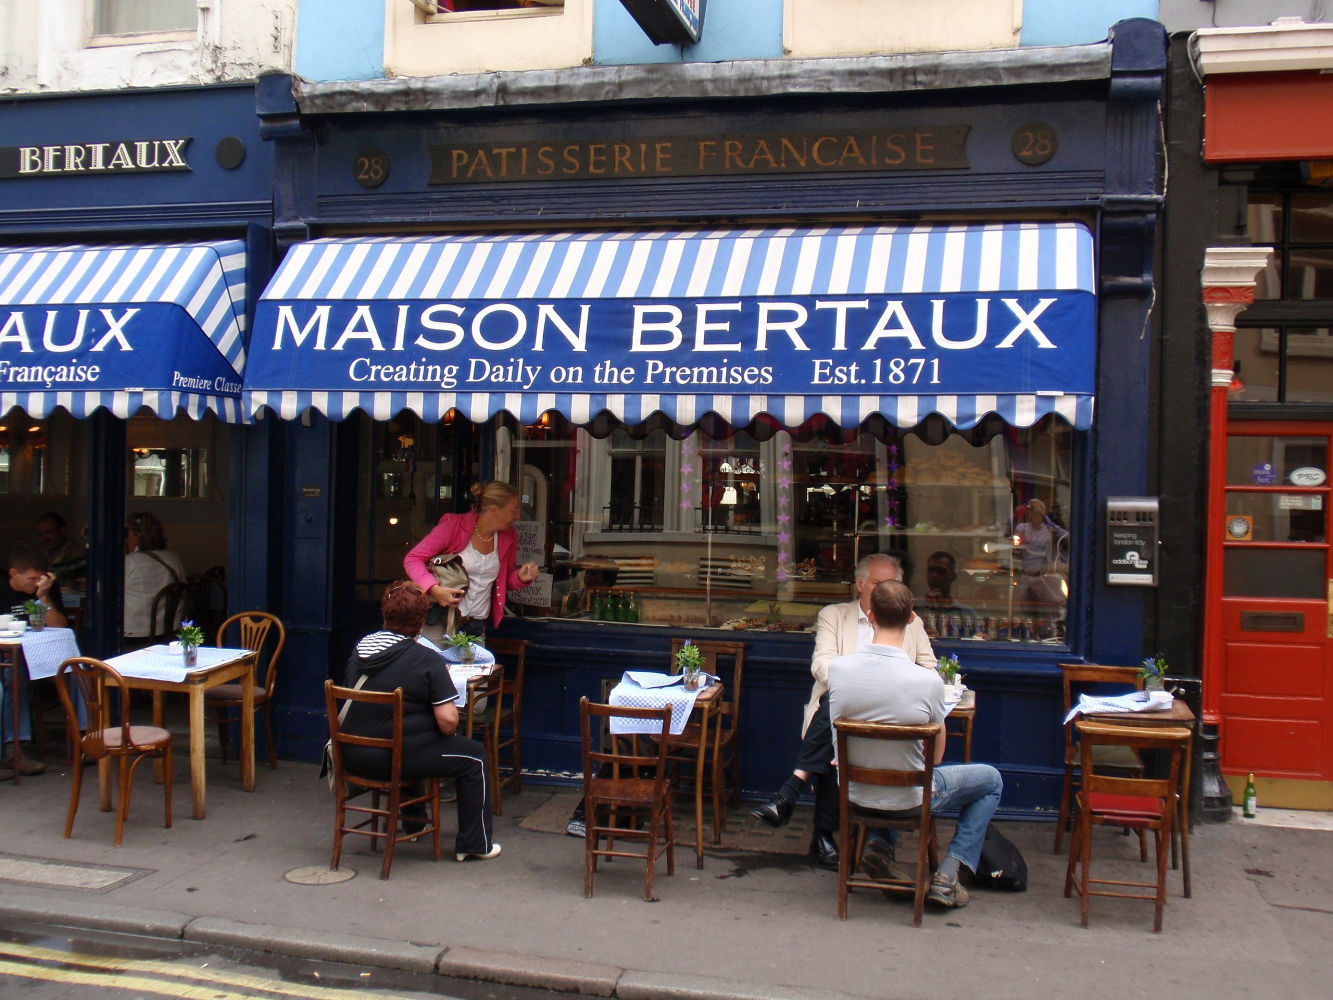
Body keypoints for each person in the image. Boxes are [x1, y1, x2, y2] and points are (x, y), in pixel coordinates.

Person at [749, 553, 936, 870]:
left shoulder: (912, 622)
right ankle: (829, 837)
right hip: (842, 713)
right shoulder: (834, 615)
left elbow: (929, 667)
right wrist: (857, 681)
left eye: (893, 584)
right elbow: (820, 664)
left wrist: (868, 683)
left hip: (889, 716)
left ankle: (794, 797)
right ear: (860, 585)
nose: (885, 590)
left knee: (837, 719)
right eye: (879, 583)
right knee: (838, 716)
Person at [827, 579, 1003, 908]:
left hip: (853, 792)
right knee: (991, 780)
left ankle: (879, 848)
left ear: (870, 615)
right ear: (911, 618)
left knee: (892, 768)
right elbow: (935, 758)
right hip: (909, 797)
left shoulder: (838, 670)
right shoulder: (927, 681)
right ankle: (950, 873)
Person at [342, 581, 500, 862]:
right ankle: (475, 843)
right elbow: (449, 723)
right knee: (474, 756)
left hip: (351, 755)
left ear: (384, 616)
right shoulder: (426, 659)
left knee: (409, 733)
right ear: (420, 623)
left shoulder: (359, 651)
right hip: (396, 758)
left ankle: (413, 825)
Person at [404, 481, 540, 643]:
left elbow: (505, 579)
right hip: (441, 618)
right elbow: (413, 559)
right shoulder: (453, 526)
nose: (518, 516)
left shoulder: (508, 536)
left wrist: (521, 577)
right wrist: (434, 589)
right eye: (514, 509)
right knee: (436, 667)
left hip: (475, 625)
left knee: (475, 668)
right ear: (493, 511)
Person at [1, 546, 69, 777]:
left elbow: (59, 626)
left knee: (80, 669)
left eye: (39, 579)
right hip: (7, 658)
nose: (34, 584)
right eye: (30, 579)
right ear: (13, 574)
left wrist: (43, 597)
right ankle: (14, 750)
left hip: (41, 656)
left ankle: (85, 737)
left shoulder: (44, 590)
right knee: (14, 676)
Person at [123, 512, 187, 644]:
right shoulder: (174, 559)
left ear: (137, 536)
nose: (125, 538)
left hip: (135, 632)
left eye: (127, 533)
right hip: (170, 630)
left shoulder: (130, 562)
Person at [1013, 499, 1069, 611]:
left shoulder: (1048, 530)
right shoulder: (1022, 528)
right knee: (1023, 607)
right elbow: (1011, 539)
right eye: (1034, 513)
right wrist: (1016, 518)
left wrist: (1054, 526)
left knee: (1049, 606)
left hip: (1042, 575)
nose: (1036, 517)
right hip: (1025, 575)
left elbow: (1067, 537)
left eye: (1040, 514)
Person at [921, 550, 981, 638]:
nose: (934, 575)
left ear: (953, 576)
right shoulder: (914, 609)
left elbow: (978, 639)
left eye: (940, 571)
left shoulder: (966, 613)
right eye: (931, 571)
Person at [35, 512, 86, 592]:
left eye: (49, 532)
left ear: (62, 531)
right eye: (41, 534)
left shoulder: (79, 555)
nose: (45, 538)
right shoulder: (37, 556)